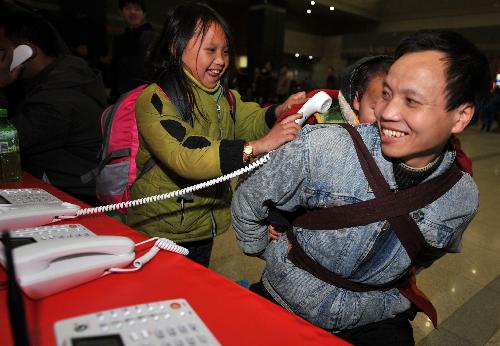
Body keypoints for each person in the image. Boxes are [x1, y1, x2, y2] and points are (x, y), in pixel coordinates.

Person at [231, 30, 490, 345]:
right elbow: (249, 198)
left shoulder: (461, 197)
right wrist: (266, 251)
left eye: (411, 100)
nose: (388, 113)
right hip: (283, 299)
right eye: (387, 94)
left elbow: (421, 257)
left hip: (374, 318)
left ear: (461, 116)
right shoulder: (323, 146)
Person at [127, 2, 306, 267]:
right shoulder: (156, 99)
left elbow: (250, 120)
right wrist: (257, 147)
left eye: (225, 51)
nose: (221, 60)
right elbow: (186, 154)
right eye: (210, 50)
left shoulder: (225, 97)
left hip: (204, 225)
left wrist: (278, 110)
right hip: (160, 227)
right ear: (176, 47)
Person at [0, 9, 106, 206]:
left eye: (1, 51)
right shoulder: (63, 77)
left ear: (26, 52)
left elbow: (5, 147)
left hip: (76, 199)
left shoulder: (55, 100)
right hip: (67, 189)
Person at [109, 0, 158, 102]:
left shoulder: (150, 37)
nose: (132, 12)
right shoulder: (119, 41)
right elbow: (115, 73)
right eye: (127, 8)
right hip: (121, 97)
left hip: (142, 97)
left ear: (144, 14)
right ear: (120, 12)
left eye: (137, 9)